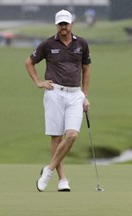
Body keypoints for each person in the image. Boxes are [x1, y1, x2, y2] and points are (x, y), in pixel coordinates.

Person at [25, 10, 91, 192]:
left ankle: (48, 170)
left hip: (75, 94)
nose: (63, 27)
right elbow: (29, 62)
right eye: (60, 24)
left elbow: (86, 70)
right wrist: (38, 82)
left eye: (66, 23)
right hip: (55, 92)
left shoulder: (82, 44)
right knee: (56, 137)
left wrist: (85, 96)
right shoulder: (48, 44)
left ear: (72, 24)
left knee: (72, 135)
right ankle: (62, 179)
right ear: (56, 25)